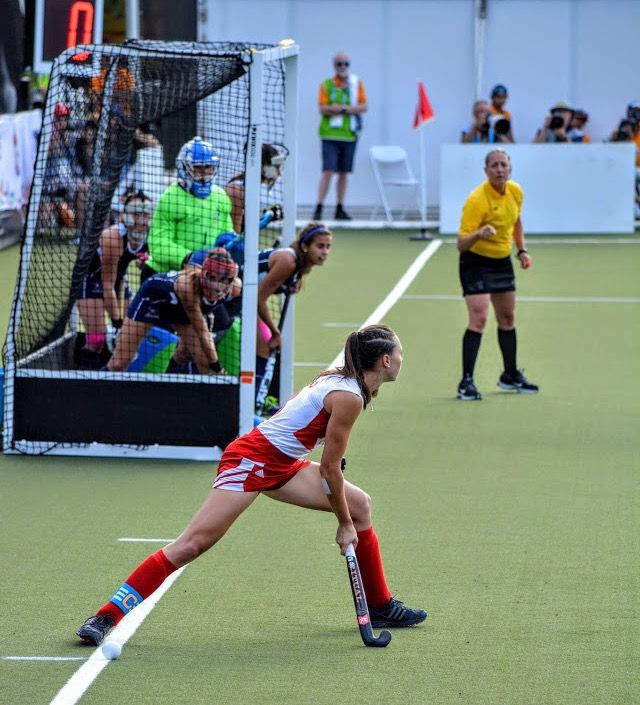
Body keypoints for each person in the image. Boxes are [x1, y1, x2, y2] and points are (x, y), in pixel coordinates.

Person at [76, 323, 427, 646]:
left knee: (361, 504)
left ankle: (379, 605)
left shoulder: (348, 385)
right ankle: (106, 615)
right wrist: (344, 525)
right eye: (399, 353)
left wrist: (344, 505)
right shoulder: (348, 396)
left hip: (282, 464)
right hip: (250, 462)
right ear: (385, 360)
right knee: (191, 544)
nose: (401, 359)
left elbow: (309, 443)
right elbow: (330, 471)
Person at [456, 149, 538, 401]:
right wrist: (479, 234)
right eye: (494, 165)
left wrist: (521, 249)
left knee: (507, 317)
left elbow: (517, 222)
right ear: (486, 170)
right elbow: (461, 243)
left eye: (503, 165)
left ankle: (510, 374)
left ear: (509, 168)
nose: (499, 169)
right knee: (479, 319)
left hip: (502, 261)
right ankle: (466, 382)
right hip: (475, 261)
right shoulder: (476, 199)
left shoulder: (515, 191)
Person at [106, 248, 239, 374]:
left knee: (205, 365)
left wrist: (213, 367)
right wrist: (217, 367)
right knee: (119, 362)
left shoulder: (235, 288)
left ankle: (168, 386)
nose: (217, 284)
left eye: (222, 280)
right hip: (152, 301)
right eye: (212, 277)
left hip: (179, 311)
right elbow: (202, 332)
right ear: (204, 273)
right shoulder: (188, 286)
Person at [76, 191, 154, 368]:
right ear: (126, 215)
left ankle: (114, 377)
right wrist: (116, 322)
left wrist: (145, 262)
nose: (141, 220)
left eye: (145, 214)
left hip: (118, 277)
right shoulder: (112, 238)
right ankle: (85, 379)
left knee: (127, 340)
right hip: (91, 279)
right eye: (136, 214)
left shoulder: (152, 234)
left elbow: (148, 259)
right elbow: (107, 285)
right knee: (97, 339)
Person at [255, 222, 333, 398]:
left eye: (328, 247)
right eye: (320, 246)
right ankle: (253, 403)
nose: (325, 252)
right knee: (264, 346)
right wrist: (275, 332)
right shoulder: (288, 261)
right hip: (234, 296)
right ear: (305, 246)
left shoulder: (300, 265)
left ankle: (259, 399)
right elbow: (259, 297)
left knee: (266, 348)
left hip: (245, 299)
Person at [141, 137, 234, 283]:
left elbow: (225, 236)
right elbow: (157, 244)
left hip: (202, 277)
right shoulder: (171, 197)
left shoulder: (220, 197)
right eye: (197, 168)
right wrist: (189, 257)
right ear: (184, 168)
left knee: (236, 289)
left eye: (208, 167)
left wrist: (231, 242)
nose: (203, 174)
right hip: (164, 275)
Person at [312, 52, 367, 222]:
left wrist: (340, 108)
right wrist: (348, 108)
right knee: (328, 171)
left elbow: (363, 106)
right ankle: (319, 207)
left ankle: (339, 207)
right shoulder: (327, 85)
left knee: (344, 172)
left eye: (346, 63)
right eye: (339, 63)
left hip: (349, 135)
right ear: (334, 65)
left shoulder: (356, 84)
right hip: (329, 134)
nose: (343, 66)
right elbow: (323, 108)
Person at [225, 143, 287, 234]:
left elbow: (245, 226)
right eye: (276, 167)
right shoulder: (237, 190)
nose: (279, 173)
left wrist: (267, 216)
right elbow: (235, 235)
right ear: (263, 166)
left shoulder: (249, 187)